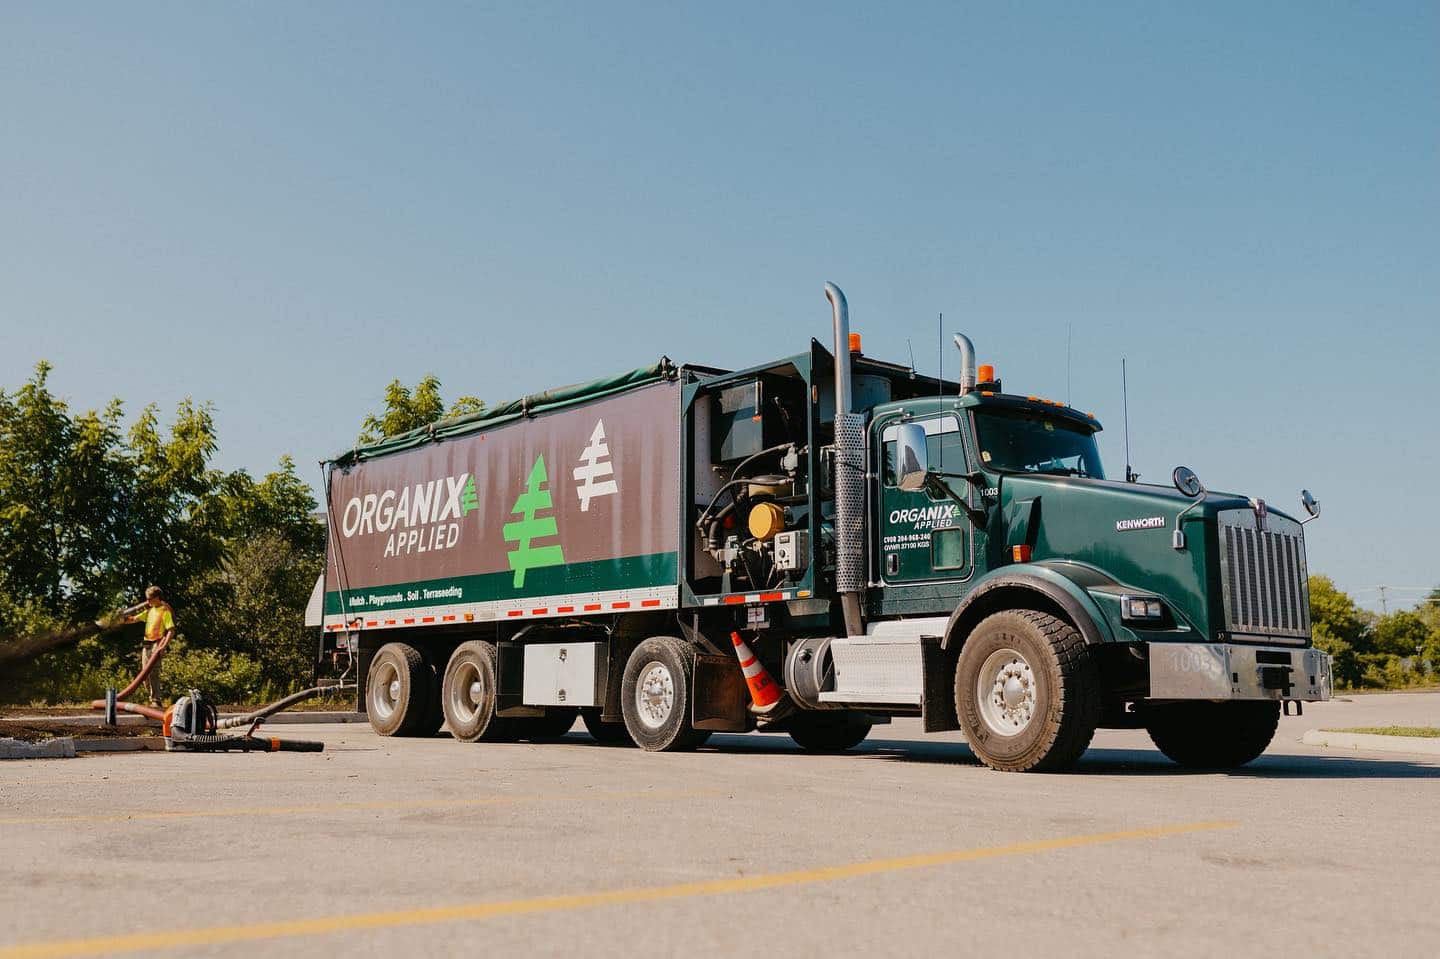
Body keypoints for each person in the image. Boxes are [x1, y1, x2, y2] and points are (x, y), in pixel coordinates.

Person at [127, 585, 175, 707]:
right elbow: (134, 619)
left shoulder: (165, 611)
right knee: (144, 674)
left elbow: (171, 630)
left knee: (153, 672)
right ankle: (152, 698)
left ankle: (156, 700)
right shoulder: (149, 611)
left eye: (149, 599)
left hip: (157, 643)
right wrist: (121, 619)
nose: (147, 601)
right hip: (147, 644)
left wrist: (163, 646)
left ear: (157, 598)